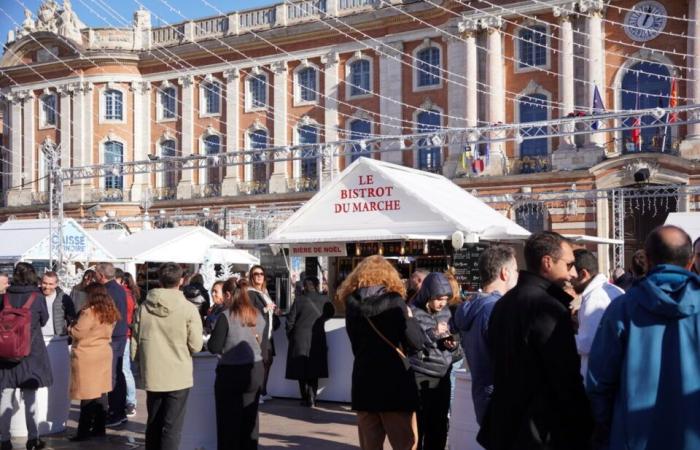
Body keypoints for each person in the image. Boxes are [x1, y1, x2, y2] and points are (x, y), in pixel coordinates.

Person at [587, 225, 700, 450]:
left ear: (647, 260)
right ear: (690, 261)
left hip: (632, 436)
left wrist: (604, 431)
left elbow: (599, 382)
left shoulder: (621, 308)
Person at [477, 231, 593, 450]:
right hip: (539, 433)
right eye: (569, 265)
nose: (573, 273)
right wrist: (585, 428)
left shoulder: (503, 304)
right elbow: (565, 378)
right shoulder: (546, 307)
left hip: (507, 428)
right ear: (547, 262)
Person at [339, 255, 425, 450]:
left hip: (364, 383)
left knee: (370, 446)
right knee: (405, 444)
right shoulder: (395, 302)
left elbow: (355, 345)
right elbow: (416, 342)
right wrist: (410, 318)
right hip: (395, 384)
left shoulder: (351, 305)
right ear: (389, 276)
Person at [132, 262, 203, 450]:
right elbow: (196, 346)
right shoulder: (189, 309)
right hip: (178, 373)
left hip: (153, 371)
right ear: (181, 281)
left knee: (154, 422)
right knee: (172, 427)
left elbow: (135, 342)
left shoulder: (143, 307)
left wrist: (139, 363)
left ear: (160, 281)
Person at [453, 245, 518, 425]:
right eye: (515, 270)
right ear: (505, 272)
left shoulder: (474, 306)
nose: (518, 274)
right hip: (501, 398)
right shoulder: (495, 309)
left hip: (484, 396)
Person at [207, 278, 265, 450]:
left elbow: (214, 347)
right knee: (250, 419)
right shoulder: (258, 314)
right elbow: (260, 342)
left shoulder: (226, 316)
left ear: (227, 294)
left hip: (231, 373)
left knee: (228, 423)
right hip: (255, 369)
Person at [0, 262, 52, 450]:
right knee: (30, 398)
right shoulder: (37, 298)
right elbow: (44, 320)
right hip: (31, 353)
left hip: (6, 354)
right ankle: (33, 439)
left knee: (5, 395)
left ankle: (5, 439)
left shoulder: (4, 297)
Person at [409, 272, 461, 450]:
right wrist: (433, 334)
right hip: (420, 375)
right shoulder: (412, 312)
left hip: (442, 376)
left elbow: (457, 350)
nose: (442, 303)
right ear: (428, 295)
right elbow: (412, 341)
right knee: (418, 427)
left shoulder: (447, 313)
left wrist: (453, 345)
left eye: (446, 299)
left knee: (439, 427)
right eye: (438, 298)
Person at [67, 283, 120, 442]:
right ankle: (99, 428)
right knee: (101, 393)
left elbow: (78, 332)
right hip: (103, 352)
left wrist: (70, 326)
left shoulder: (89, 312)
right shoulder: (110, 310)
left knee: (87, 394)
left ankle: (83, 432)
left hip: (88, 354)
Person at [571, 249, 624, 377]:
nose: (570, 281)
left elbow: (587, 344)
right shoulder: (615, 289)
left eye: (572, 277)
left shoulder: (594, 298)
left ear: (583, 274)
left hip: (598, 377)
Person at [285, 276, 335, 407]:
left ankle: (304, 397)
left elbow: (289, 321)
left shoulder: (299, 300)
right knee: (315, 368)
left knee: (302, 369)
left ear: (304, 286)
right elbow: (331, 313)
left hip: (299, 337)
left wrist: (291, 336)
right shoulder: (324, 299)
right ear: (317, 285)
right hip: (317, 337)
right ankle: (312, 398)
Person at [95, 263, 128, 428]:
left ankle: (116, 412)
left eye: (96, 274)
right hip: (119, 335)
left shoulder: (108, 291)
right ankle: (119, 410)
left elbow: (108, 315)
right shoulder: (118, 288)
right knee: (117, 373)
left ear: (101, 276)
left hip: (113, 336)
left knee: (112, 375)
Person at [247, 265, 280, 403]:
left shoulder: (264, 292)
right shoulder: (250, 292)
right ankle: (256, 393)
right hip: (258, 334)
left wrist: (275, 311)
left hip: (268, 333)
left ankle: (263, 390)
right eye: (256, 274)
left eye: (261, 274)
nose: (259, 276)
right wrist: (266, 309)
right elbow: (250, 312)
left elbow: (268, 310)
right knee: (260, 363)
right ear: (251, 277)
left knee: (268, 362)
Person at [118, 272, 140, 418]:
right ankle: (129, 400)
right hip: (126, 333)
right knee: (125, 368)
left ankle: (131, 401)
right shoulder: (131, 294)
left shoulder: (123, 294)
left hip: (123, 333)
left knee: (125, 369)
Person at [39, 271, 77, 337]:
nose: (47, 287)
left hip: (58, 338)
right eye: (44, 283)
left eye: (50, 284)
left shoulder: (64, 298)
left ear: (56, 284)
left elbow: (72, 318)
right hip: (38, 337)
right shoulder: (34, 296)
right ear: (40, 282)